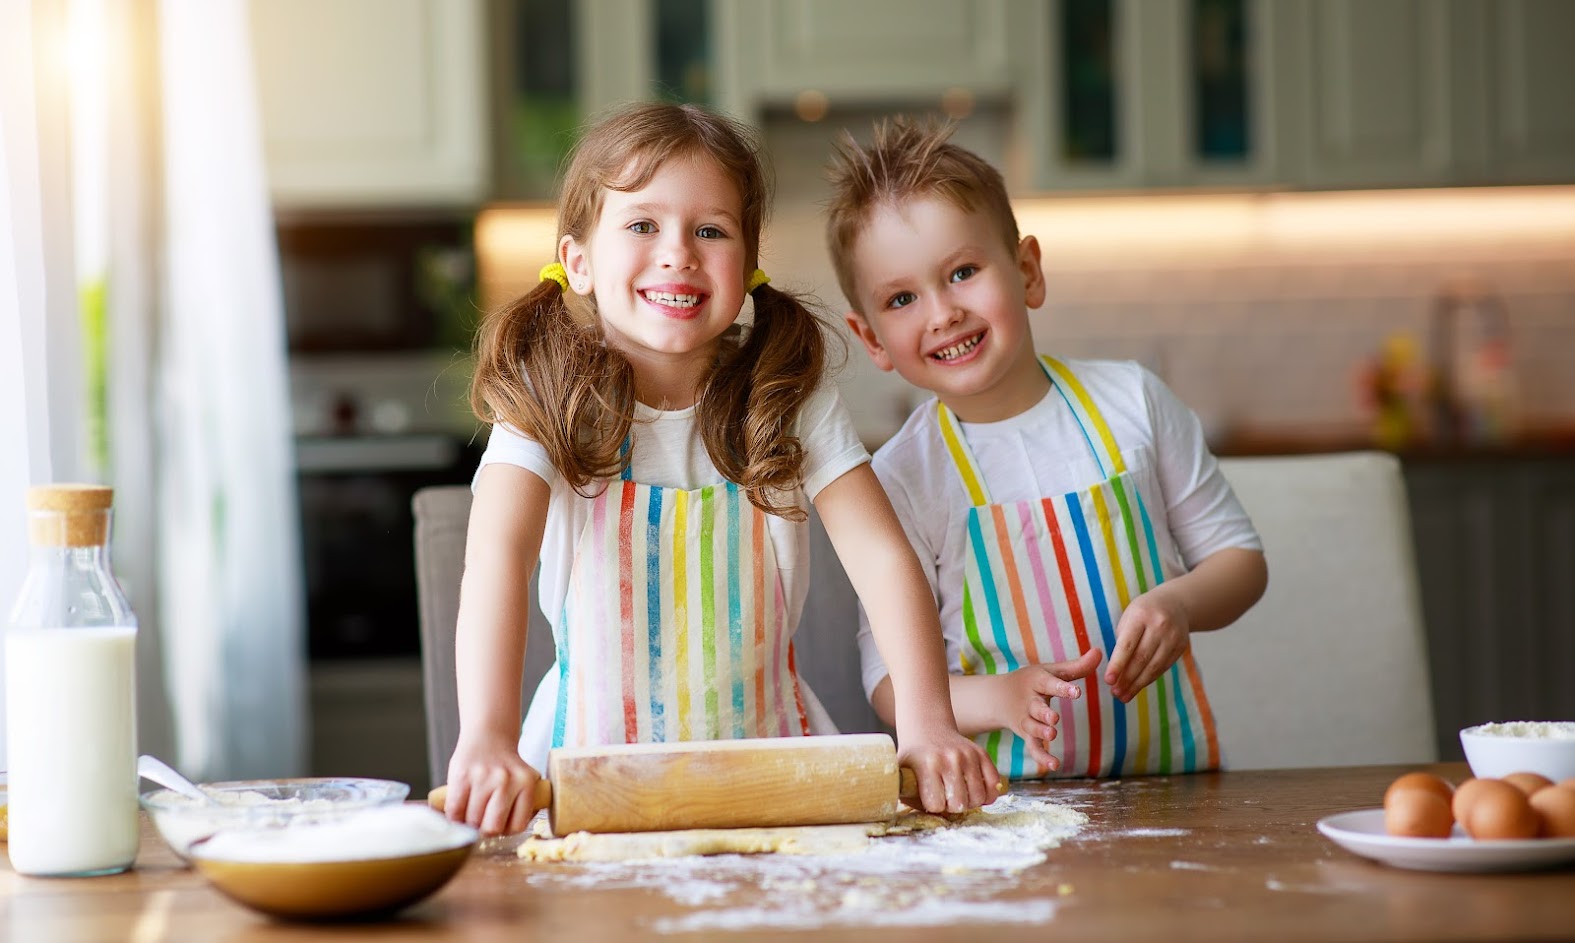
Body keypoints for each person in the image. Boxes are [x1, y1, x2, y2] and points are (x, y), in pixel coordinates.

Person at [445, 102, 1000, 836]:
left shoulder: (787, 397)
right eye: (642, 225)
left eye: (710, 229)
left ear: (748, 267)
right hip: (586, 784)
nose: (678, 252)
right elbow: (497, 556)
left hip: (772, 778)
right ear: (577, 260)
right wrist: (486, 735)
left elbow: (880, 554)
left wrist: (928, 723)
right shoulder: (546, 400)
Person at [824, 118, 1268, 780]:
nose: (942, 312)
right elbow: (889, 683)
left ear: (1027, 270)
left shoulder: (1133, 403)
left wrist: (1180, 602)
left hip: (1172, 788)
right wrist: (996, 697)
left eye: (963, 271)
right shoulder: (900, 478)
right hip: (1004, 811)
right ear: (873, 340)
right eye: (902, 298)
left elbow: (1240, 562)